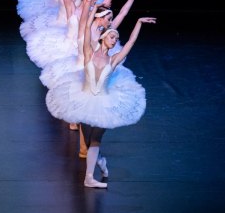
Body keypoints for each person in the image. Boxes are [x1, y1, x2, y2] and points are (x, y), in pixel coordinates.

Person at [46, 15, 156, 188]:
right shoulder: (89, 53)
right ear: (103, 37)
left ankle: (89, 178)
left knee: (96, 139)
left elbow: (131, 42)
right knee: (89, 142)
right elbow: (85, 27)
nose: (115, 41)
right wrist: (90, 11)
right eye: (112, 37)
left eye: (116, 39)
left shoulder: (113, 59)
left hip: (103, 103)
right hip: (83, 100)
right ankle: (101, 161)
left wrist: (139, 22)